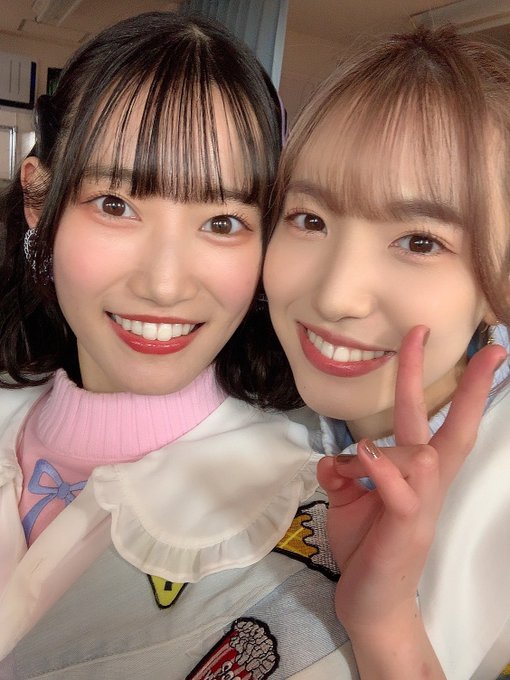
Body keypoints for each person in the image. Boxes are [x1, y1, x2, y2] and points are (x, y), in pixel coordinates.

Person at [0, 11, 324, 679]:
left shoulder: (306, 510)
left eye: (223, 221)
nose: (165, 284)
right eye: (115, 205)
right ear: (38, 197)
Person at [263, 25, 510, 680]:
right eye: (309, 219)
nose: (336, 296)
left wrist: (384, 622)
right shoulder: (257, 413)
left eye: (420, 241)